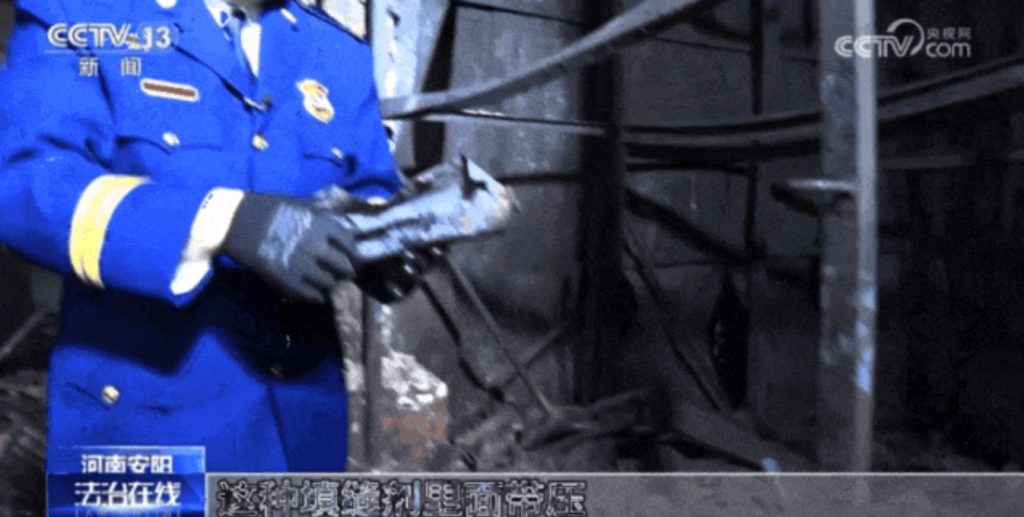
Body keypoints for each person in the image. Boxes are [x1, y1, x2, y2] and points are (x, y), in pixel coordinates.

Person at [0, 0, 419, 471]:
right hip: (145, 428)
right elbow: (27, 189)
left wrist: (389, 240)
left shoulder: (337, 53)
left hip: (299, 427)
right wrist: (222, 223)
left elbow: (368, 192)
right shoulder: (81, 18)